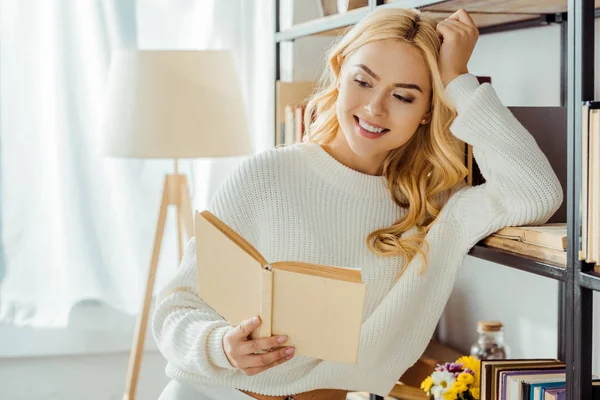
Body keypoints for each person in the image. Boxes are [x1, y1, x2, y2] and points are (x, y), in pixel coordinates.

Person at [152, 7, 563, 400]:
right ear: (339, 71)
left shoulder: (435, 206)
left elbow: (536, 193)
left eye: (403, 96)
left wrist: (458, 78)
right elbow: (175, 308)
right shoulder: (268, 176)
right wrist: (221, 346)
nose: (373, 108)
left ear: (427, 112)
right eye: (363, 82)